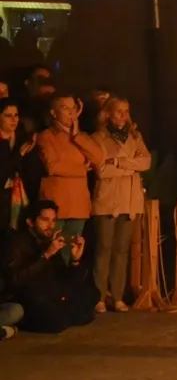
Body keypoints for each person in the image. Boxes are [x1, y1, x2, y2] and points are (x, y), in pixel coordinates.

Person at [0, 200, 98, 333]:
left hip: (50, 298)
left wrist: (75, 261)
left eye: (53, 220)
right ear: (30, 222)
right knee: (56, 319)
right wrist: (46, 255)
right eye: (45, 220)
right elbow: (15, 281)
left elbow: (65, 279)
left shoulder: (49, 242)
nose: (50, 225)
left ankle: (68, 315)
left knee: (92, 293)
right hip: (25, 299)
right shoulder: (18, 242)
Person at [90, 97, 151, 313]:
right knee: (103, 248)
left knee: (122, 250)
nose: (122, 116)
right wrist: (131, 168)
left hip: (129, 201)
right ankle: (98, 296)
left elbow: (146, 162)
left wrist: (118, 162)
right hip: (108, 201)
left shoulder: (135, 136)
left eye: (126, 111)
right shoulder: (98, 138)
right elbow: (101, 171)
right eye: (118, 111)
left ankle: (116, 296)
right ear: (107, 114)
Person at [37, 93, 105, 259]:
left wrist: (77, 136)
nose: (70, 113)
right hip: (56, 205)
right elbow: (53, 166)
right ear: (53, 113)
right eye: (65, 108)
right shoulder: (47, 136)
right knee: (54, 253)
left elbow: (99, 158)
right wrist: (82, 169)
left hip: (78, 204)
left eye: (73, 108)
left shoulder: (81, 137)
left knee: (72, 252)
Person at [0, 99, 36, 231]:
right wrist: (18, 155)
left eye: (16, 115)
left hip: (20, 197)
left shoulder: (23, 138)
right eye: (8, 116)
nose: (13, 119)